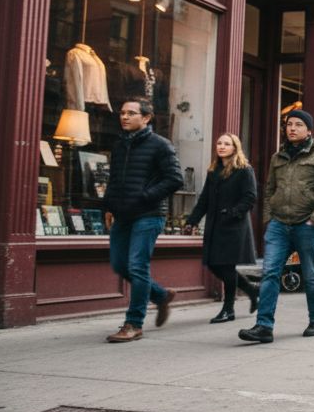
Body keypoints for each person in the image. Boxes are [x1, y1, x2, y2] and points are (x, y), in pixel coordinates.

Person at [239, 109, 314, 344]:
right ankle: (264, 326)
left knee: (311, 276)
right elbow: (269, 189)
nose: (292, 128)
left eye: (298, 125)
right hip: (279, 225)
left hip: (307, 225)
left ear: (309, 130)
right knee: (270, 273)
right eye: (289, 124)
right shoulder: (278, 157)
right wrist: (269, 218)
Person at [101, 98, 183, 343]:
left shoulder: (160, 145)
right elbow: (114, 179)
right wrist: (109, 206)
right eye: (122, 113)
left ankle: (134, 323)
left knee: (137, 266)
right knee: (120, 265)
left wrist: (145, 196)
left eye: (131, 113)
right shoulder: (119, 145)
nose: (124, 117)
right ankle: (160, 295)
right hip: (122, 214)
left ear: (146, 118)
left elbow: (174, 179)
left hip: (149, 214)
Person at [185, 133, 259, 324]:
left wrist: (232, 213)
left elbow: (250, 197)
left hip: (234, 226)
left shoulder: (244, 170)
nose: (222, 146)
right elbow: (204, 199)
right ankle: (251, 290)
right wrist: (192, 221)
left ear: (235, 148)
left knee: (226, 266)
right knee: (213, 264)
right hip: (215, 225)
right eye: (219, 143)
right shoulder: (213, 171)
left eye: (227, 144)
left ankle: (228, 309)